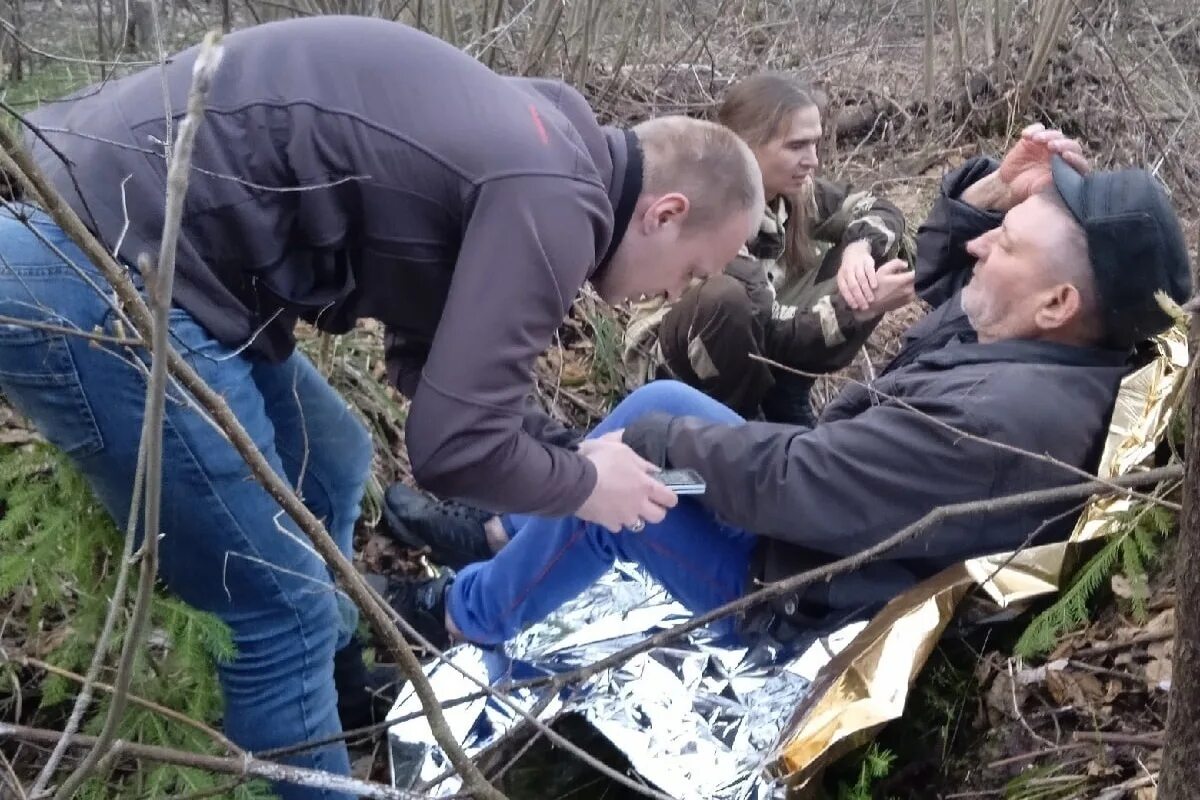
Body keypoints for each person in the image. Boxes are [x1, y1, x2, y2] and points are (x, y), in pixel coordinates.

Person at [0, 15, 764, 799]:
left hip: (151, 241)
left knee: (332, 464)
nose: (674, 296)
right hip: (95, 266)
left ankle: (334, 703)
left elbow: (437, 374)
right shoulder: (553, 199)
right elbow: (451, 447)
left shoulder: (549, 150)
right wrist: (579, 484)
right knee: (277, 610)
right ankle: (300, 725)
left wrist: (567, 453)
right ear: (664, 213)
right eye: (691, 271)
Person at [380, 125, 1192, 655]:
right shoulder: (1052, 357)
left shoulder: (1001, 420)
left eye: (1004, 244)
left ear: (1058, 303)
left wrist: (659, 452)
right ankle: (506, 531)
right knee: (643, 426)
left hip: (796, 586)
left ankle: (457, 616)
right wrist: (984, 200)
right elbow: (955, 307)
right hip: (826, 530)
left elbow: (799, 482)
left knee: (620, 491)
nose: (981, 250)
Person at [623, 71, 916, 426]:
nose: (813, 161)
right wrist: (860, 308)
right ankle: (744, 426)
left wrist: (861, 248)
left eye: (815, 144)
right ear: (744, 145)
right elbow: (771, 330)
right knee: (727, 300)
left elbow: (877, 207)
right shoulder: (714, 212)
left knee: (885, 251)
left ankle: (786, 391)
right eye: (796, 146)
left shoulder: (792, 192)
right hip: (672, 368)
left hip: (760, 342)